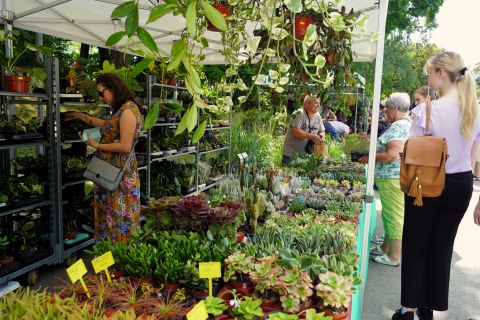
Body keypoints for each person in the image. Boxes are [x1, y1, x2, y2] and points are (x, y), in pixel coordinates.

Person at [391, 52, 480, 320]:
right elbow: (475, 158)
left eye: (430, 73)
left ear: (442, 73)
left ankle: (408, 309)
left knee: (416, 245)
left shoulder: (425, 111)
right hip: (462, 186)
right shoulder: (474, 111)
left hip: (426, 184)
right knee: (441, 248)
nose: (428, 78)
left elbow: (412, 154)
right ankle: (428, 309)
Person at [65, 74, 143, 243]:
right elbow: (107, 125)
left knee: (120, 221)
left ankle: (120, 263)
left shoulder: (128, 110)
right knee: (111, 219)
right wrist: (82, 116)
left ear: (113, 88)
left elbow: (125, 146)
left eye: (102, 93)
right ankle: (109, 264)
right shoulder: (122, 109)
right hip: (110, 174)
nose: (101, 97)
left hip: (119, 177)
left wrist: (97, 145)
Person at [359, 93, 411, 267]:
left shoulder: (398, 126)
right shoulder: (404, 123)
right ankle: (386, 248)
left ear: (395, 107)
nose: (385, 111)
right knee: (390, 214)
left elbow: (392, 156)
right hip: (393, 178)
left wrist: (370, 156)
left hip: (391, 177)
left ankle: (394, 256)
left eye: (387, 107)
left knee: (394, 216)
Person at [282, 95, 325, 164]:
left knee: (306, 174)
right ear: (307, 104)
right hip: (291, 154)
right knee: (289, 174)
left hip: (307, 154)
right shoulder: (298, 113)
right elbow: (295, 131)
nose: (319, 105)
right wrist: (313, 136)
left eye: (319, 103)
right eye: (316, 103)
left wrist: (321, 137)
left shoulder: (318, 116)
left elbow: (322, 131)